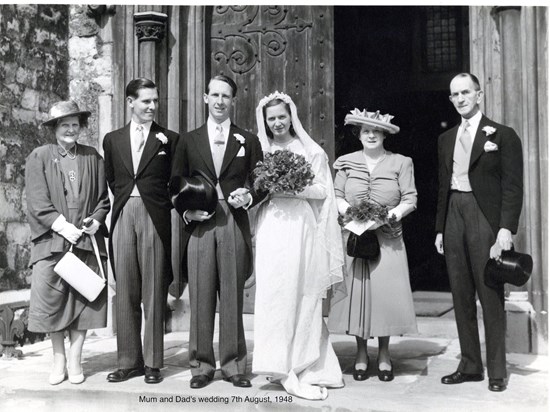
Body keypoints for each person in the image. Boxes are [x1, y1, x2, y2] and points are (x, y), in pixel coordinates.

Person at [170, 75, 264, 389]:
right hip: (200, 223)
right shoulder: (188, 139)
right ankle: (201, 366)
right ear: (205, 98)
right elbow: (175, 184)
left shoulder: (247, 140)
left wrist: (249, 197)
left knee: (232, 293)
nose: (220, 101)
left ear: (233, 100)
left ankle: (235, 365)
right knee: (200, 293)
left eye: (226, 95)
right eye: (215, 95)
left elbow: (260, 181)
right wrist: (186, 211)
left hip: (233, 221)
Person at [252, 92, 345, 400]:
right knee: (274, 290)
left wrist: (294, 187)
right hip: (272, 225)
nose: (277, 123)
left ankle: (302, 361)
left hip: (301, 225)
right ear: (264, 122)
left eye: (282, 116)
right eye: (271, 118)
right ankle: (274, 362)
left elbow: (322, 190)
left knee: (300, 289)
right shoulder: (260, 149)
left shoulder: (309, 149)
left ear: (291, 116)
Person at [435, 73, 523, 392]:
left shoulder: (502, 135)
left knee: (489, 291)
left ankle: (497, 370)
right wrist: (440, 228)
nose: (460, 99)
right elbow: (443, 186)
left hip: (484, 215)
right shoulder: (445, 139)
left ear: (479, 94)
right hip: (454, 213)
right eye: (454, 94)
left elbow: (513, 187)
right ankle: (471, 364)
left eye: (466, 93)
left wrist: (505, 229)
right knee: (460, 294)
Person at [328, 108, 418, 382]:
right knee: (358, 294)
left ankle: (384, 354)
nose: (370, 135)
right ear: (358, 134)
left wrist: (385, 217)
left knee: (383, 298)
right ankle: (360, 354)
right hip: (355, 236)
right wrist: (351, 215)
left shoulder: (401, 162)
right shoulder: (345, 162)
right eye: (365, 131)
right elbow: (337, 195)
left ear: (384, 134)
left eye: (375, 131)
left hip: (387, 236)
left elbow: (410, 198)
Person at [25, 100, 110, 385]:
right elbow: (37, 202)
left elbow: (103, 200)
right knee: (52, 300)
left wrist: (95, 220)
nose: (71, 130)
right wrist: (62, 227)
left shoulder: (92, 157)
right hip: (52, 242)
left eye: (75, 125)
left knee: (84, 299)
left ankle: (75, 358)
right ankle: (58, 357)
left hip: (86, 242)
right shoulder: (39, 156)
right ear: (54, 129)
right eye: (65, 125)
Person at [103, 78, 179, 384]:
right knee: (126, 291)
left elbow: (176, 180)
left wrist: (158, 204)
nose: (151, 106)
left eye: (155, 101)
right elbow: (112, 178)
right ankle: (128, 361)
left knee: (154, 290)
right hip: (123, 214)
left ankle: (153, 363)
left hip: (155, 215)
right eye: (145, 101)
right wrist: (126, 200)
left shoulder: (169, 138)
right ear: (130, 102)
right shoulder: (112, 139)